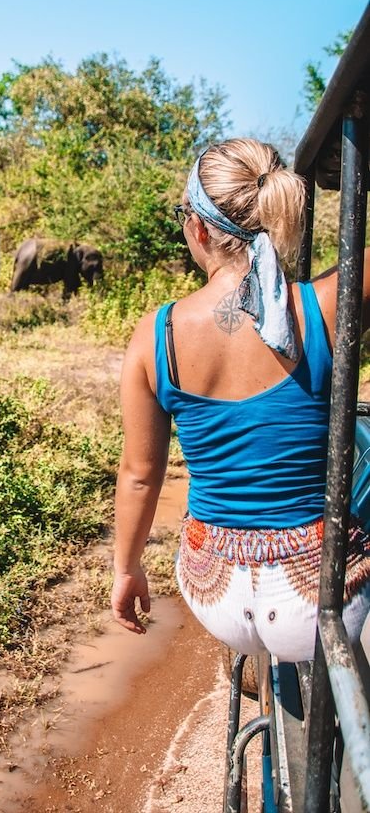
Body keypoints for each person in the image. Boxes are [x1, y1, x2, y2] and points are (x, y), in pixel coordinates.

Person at [112, 138, 370, 663]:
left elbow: (140, 475)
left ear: (199, 228)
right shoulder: (323, 303)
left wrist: (126, 569)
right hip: (318, 596)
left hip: (214, 589)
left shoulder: (154, 335)